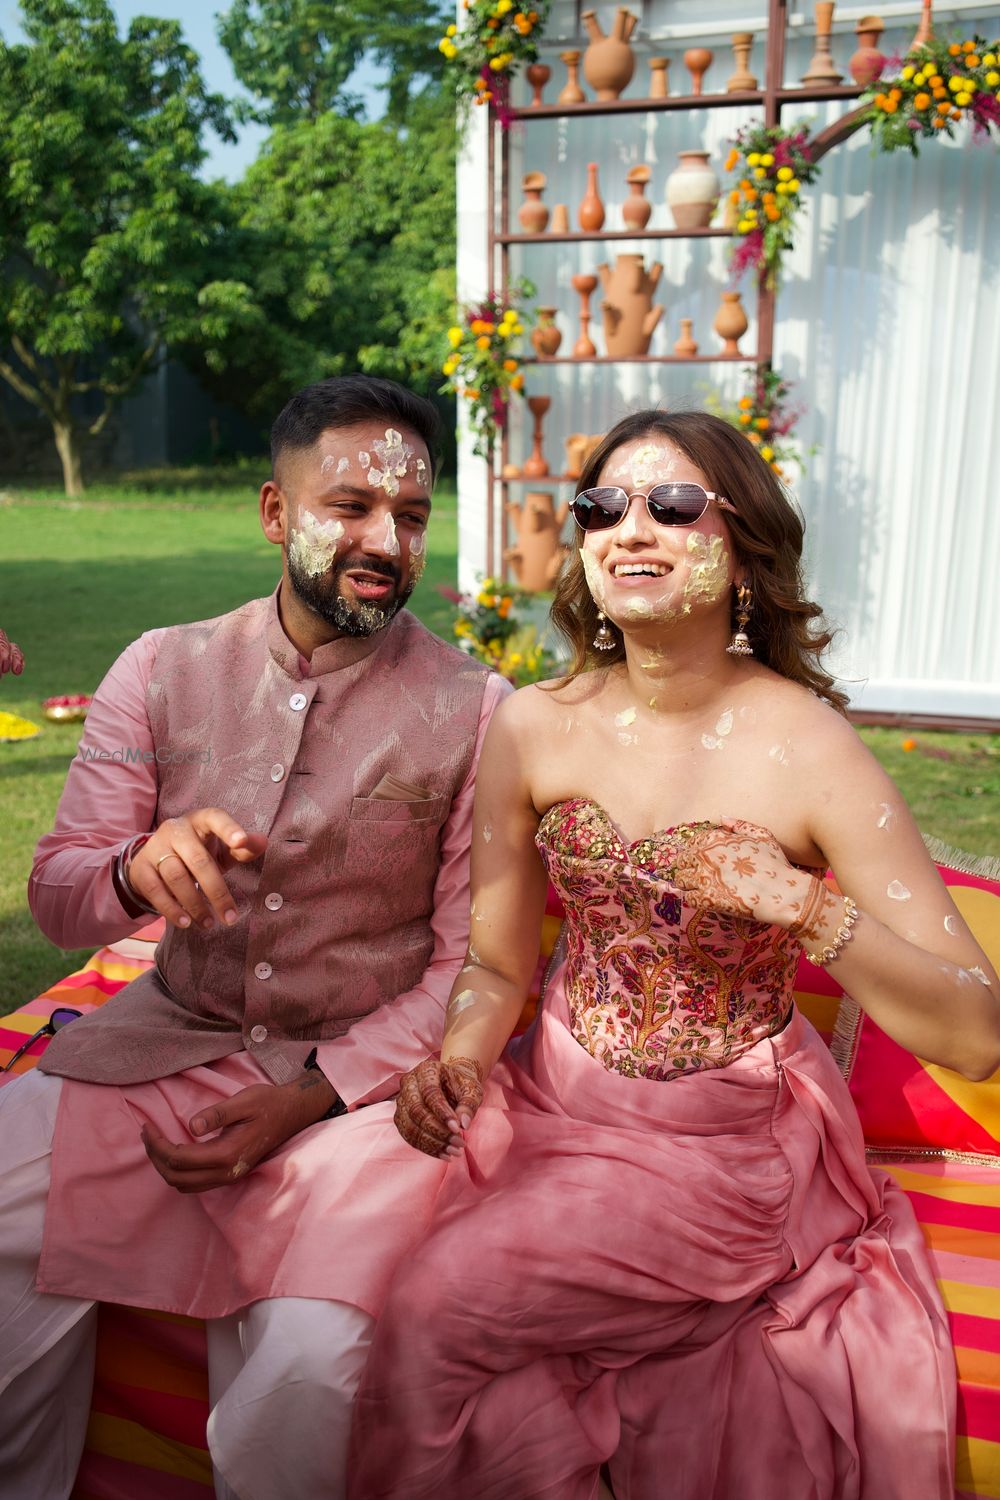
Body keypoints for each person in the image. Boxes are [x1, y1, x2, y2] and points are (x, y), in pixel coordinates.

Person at [348, 410, 1000, 1500]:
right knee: (339, 1264)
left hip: (719, 1149)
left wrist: (803, 908)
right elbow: (497, 966)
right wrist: (460, 1059)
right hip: (546, 1106)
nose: (630, 528)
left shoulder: (807, 746)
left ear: (743, 550)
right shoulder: (533, 725)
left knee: (432, 1309)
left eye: (675, 503)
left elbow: (975, 1033)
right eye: (603, 506)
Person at [0, 374, 509, 1500]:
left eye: (411, 515)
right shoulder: (159, 667)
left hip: (365, 1091)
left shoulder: (479, 709)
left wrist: (314, 1094)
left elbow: (470, 962)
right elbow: (59, 893)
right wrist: (131, 869)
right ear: (276, 513)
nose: (385, 542)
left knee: (312, 1365)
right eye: (350, 507)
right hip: (167, 1044)